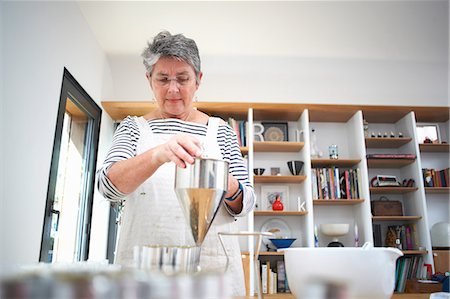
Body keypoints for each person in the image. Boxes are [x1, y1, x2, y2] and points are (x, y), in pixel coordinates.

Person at [97, 31, 255, 295]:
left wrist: (220, 177)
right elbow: (107, 187)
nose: (173, 89)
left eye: (182, 79)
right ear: (149, 80)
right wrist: (159, 154)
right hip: (145, 275)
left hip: (211, 272)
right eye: (163, 79)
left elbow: (245, 203)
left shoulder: (221, 131)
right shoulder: (133, 128)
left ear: (198, 80)